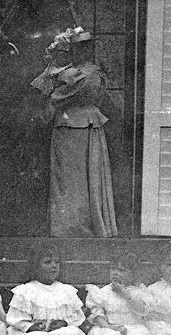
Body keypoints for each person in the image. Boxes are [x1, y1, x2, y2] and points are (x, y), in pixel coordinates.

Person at [30, 27, 117, 238]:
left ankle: (77, 227)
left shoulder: (86, 74)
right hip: (74, 129)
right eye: (74, 48)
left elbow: (56, 97)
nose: (76, 52)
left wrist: (53, 87)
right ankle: (71, 226)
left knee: (77, 180)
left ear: (88, 50)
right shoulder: (80, 72)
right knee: (72, 179)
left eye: (82, 48)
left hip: (78, 129)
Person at [6, 243, 90, 335]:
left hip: (60, 333)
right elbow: (16, 319)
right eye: (47, 262)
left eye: (57, 262)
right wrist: (30, 327)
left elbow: (77, 317)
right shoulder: (26, 290)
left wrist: (64, 323)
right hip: (36, 334)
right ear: (36, 267)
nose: (54, 266)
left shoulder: (66, 290)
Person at [85, 253, 154, 335]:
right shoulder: (104, 292)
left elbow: (142, 310)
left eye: (122, 270)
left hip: (133, 325)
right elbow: (98, 314)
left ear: (133, 274)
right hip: (110, 325)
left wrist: (124, 293)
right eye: (113, 269)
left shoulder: (138, 291)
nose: (116, 273)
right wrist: (109, 326)